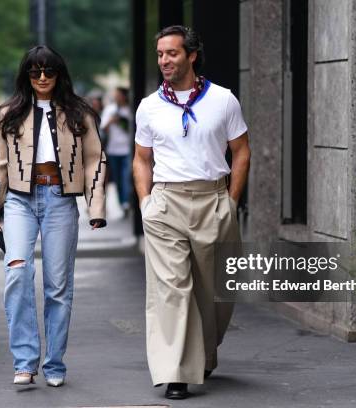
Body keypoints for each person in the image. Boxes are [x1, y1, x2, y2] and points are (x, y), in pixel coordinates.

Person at [133, 25, 251, 400]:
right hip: (166, 203)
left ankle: (204, 352)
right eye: (160, 54)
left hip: (212, 200)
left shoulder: (223, 100)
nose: (165, 61)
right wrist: (145, 203)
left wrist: (231, 201)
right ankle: (175, 372)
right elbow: (141, 159)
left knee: (214, 291)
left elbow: (242, 151)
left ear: (191, 55)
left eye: (172, 53)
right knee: (172, 290)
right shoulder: (149, 106)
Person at [0, 45, 107, 387]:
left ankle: (54, 364)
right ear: (26, 75)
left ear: (58, 74)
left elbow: (95, 158)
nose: (41, 78)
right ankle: (24, 360)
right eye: (34, 72)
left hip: (60, 200)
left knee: (57, 287)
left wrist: (96, 208)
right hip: (20, 201)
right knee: (17, 275)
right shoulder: (8, 113)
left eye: (48, 71)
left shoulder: (79, 112)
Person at [100, 87, 132, 215]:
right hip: (113, 150)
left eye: (119, 95)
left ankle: (126, 202)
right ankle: (122, 204)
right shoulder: (110, 109)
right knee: (118, 180)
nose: (116, 97)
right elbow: (103, 129)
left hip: (127, 149)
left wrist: (124, 122)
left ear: (124, 96)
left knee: (126, 177)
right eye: (115, 95)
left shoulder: (130, 109)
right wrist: (111, 121)